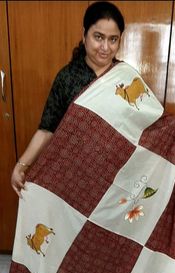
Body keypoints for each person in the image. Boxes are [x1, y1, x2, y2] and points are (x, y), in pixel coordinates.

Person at [11, 1, 125, 198]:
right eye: (98, 37)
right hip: (73, 176)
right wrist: (21, 166)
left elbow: (145, 127)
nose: (105, 47)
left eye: (113, 39)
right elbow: (47, 129)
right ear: (84, 35)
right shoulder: (68, 78)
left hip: (115, 177)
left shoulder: (125, 78)